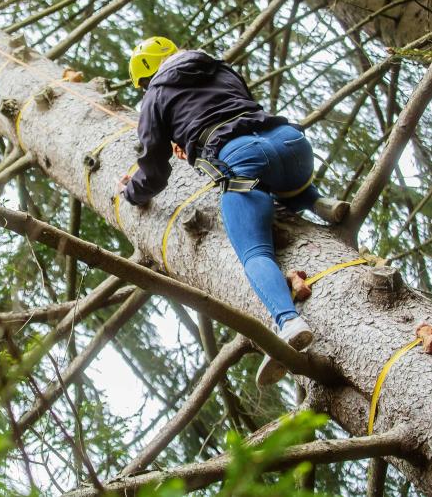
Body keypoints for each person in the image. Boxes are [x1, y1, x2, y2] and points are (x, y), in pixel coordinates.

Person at [117, 36, 350, 386]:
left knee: (255, 251)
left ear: (147, 78)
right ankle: (315, 201)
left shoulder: (154, 96)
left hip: (243, 161)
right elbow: (230, 109)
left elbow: (154, 170)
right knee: (276, 163)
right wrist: (191, 143)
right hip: (292, 142)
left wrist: (131, 193)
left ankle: (289, 322)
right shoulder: (217, 65)